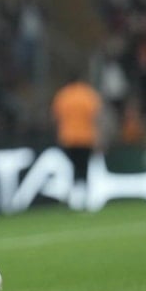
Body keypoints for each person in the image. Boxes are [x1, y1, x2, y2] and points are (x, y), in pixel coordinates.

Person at [51, 72, 104, 210]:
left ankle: (73, 198)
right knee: (84, 168)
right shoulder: (88, 94)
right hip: (86, 138)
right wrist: (98, 137)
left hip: (67, 138)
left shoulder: (63, 95)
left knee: (71, 168)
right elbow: (96, 117)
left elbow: (56, 118)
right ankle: (83, 198)